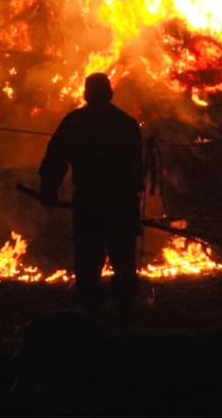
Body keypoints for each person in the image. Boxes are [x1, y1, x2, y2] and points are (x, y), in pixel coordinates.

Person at [36, 72, 144, 320]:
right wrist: (132, 198)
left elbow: (56, 157)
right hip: (121, 202)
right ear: (109, 93)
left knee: (88, 257)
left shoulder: (76, 121)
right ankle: (124, 310)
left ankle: (92, 311)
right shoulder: (126, 124)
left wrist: (48, 189)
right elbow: (136, 169)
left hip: (90, 200)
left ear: (86, 94)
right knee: (122, 257)